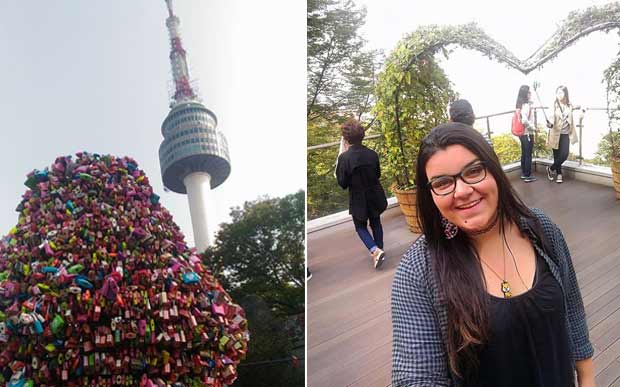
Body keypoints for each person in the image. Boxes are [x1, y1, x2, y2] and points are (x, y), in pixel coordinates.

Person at [391, 122, 594, 386]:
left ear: (494, 170)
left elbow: (573, 307)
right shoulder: (418, 270)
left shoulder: (540, 229)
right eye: (442, 183)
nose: (462, 191)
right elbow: (416, 376)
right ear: (430, 194)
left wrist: (587, 378)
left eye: (473, 171)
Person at [336, 118, 388, 269]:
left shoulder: (344, 158)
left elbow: (343, 183)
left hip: (358, 198)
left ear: (346, 139)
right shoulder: (372, 154)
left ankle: (375, 250)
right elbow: (377, 174)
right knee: (376, 223)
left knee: (360, 227)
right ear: (363, 135)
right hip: (375, 194)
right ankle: (379, 251)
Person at [546, 85, 579, 184]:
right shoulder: (554, 105)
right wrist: (549, 124)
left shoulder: (569, 105)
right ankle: (559, 174)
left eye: (561, 92)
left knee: (564, 154)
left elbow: (574, 108)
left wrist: (581, 108)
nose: (559, 95)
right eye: (558, 93)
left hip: (565, 134)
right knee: (557, 155)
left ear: (565, 94)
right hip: (555, 133)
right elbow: (551, 117)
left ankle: (550, 169)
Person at [515, 85, 537, 182]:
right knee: (528, 154)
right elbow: (524, 120)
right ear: (525, 94)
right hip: (527, 133)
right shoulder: (526, 106)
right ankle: (528, 175)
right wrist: (533, 128)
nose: (530, 94)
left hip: (521, 133)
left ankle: (524, 173)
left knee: (524, 153)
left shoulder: (520, 105)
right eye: (529, 92)